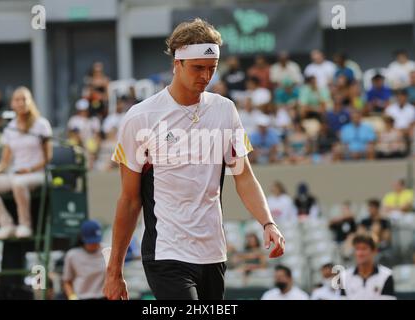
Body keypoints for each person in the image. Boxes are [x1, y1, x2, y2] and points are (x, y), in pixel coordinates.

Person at [103, 18, 285, 301]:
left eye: (211, 68)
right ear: (177, 63)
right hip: (166, 252)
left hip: (213, 252)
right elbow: (128, 200)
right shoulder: (140, 118)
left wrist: (268, 223)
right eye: (198, 68)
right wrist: (114, 272)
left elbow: (244, 175)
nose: (205, 76)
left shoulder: (226, 110)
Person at [0, 87, 53, 239]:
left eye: (24, 99)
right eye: (17, 99)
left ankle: (25, 225)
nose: (21, 102)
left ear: (30, 101)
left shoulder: (41, 124)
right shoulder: (10, 128)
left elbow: (48, 158)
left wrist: (29, 169)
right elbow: (5, 160)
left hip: (38, 174)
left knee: (18, 182)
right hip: (16, 174)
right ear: (12, 104)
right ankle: (6, 224)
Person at [341, 234, 395, 299]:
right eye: (357, 249)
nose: (360, 253)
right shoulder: (345, 276)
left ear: (374, 251)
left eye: (364, 248)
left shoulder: (386, 276)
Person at [62, 220, 107, 300]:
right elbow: (67, 281)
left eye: (97, 241)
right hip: (81, 297)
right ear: (83, 239)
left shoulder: (107, 251)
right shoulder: (72, 255)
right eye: (91, 242)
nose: (95, 244)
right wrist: (72, 297)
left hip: (104, 296)